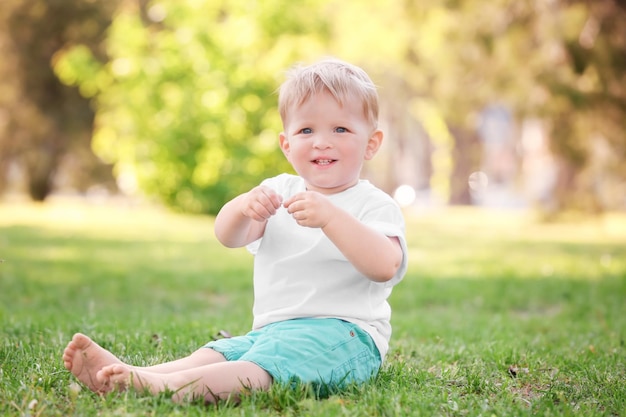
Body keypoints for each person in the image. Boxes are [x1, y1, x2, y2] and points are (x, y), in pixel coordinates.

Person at [62, 58, 408, 404]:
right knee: (221, 354)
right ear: (286, 145)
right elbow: (228, 236)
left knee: (260, 369)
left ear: (371, 143)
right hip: (273, 333)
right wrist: (243, 207)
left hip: (345, 337)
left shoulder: (372, 204)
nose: (321, 142)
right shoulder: (278, 191)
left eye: (340, 130)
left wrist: (332, 218)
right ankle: (139, 374)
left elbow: (384, 266)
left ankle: (168, 388)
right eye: (306, 130)